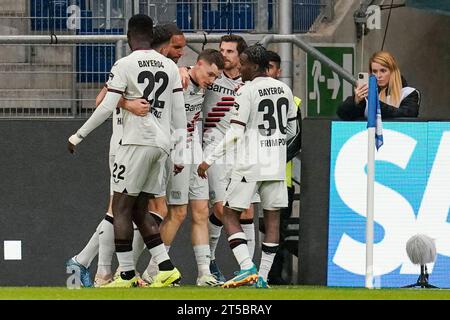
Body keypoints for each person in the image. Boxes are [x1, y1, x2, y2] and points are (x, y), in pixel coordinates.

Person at [68, 14, 186, 288]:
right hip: (162, 145)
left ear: (130, 36)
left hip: (133, 143)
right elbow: (179, 114)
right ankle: (165, 268)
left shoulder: (124, 64)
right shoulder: (169, 66)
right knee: (140, 210)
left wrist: (78, 135)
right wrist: (180, 153)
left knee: (120, 208)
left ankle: (124, 274)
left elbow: (105, 104)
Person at [197, 45, 297, 288]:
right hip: (275, 163)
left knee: (230, 214)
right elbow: (293, 131)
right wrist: (273, 144)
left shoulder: (246, 90)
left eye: (243, 63)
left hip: (250, 161)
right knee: (272, 220)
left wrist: (208, 159)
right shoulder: (284, 89)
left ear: (255, 65)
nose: (239, 67)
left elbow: (235, 132)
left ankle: (247, 267)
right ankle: (261, 277)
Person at [155, 49, 225, 286]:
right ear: (198, 64)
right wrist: (178, 70)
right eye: (210, 74)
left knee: (202, 212)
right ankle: (154, 270)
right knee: (177, 212)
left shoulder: (203, 86)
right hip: (176, 151)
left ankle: (204, 273)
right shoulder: (178, 79)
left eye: (216, 77)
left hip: (195, 152)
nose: (212, 81)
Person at [200, 35, 260, 282]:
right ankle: (210, 261)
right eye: (222, 50)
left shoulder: (251, 85)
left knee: (246, 212)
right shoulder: (212, 78)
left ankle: (248, 271)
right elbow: (195, 73)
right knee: (222, 208)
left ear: (241, 56)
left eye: (230, 52)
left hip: (243, 152)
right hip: (214, 150)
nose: (224, 55)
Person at [264, 50, 302, 285]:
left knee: (278, 227)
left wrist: (275, 160)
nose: (267, 72)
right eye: (264, 67)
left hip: (281, 177)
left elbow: (297, 139)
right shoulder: (248, 95)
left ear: (279, 72)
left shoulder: (293, 101)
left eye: (271, 67)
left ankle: (273, 276)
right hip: (251, 173)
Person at [337, 51, 420, 120]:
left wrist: (373, 101)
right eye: (375, 71)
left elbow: (408, 115)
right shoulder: (365, 95)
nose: (378, 75)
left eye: (383, 71)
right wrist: (356, 101)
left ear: (393, 71)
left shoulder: (409, 93)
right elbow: (342, 114)